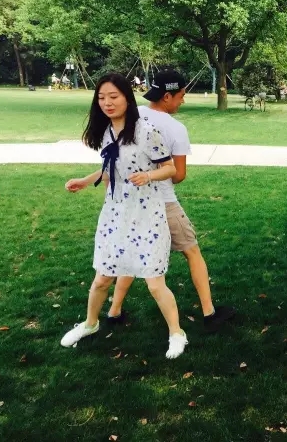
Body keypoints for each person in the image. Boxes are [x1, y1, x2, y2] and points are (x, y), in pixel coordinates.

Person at [61, 73, 188, 359]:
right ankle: (90, 324)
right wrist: (85, 181)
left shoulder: (146, 131)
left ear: (127, 99)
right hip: (115, 215)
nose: (107, 103)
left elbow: (170, 168)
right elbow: (112, 168)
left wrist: (148, 175)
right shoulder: (108, 132)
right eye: (101, 98)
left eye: (113, 97)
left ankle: (177, 333)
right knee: (102, 279)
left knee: (155, 283)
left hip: (147, 215)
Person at [104, 70, 237, 332]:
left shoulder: (131, 116)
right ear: (167, 96)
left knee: (131, 253)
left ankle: (114, 312)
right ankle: (209, 313)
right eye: (181, 95)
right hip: (162, 202)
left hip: (129, 203)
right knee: (192, 251)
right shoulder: (176, 128)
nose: (183, 100)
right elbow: (178, 175)